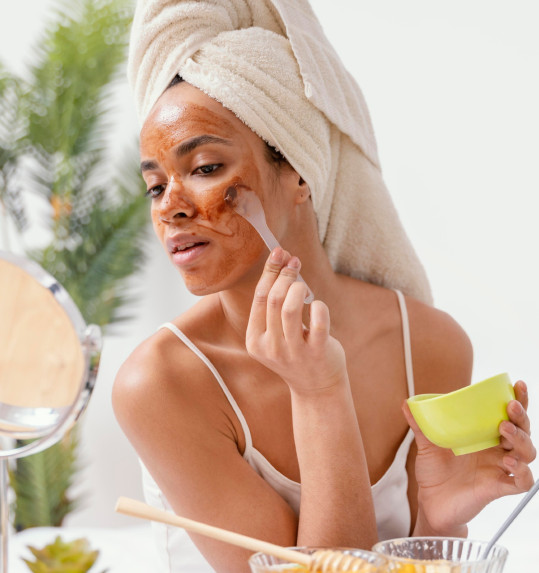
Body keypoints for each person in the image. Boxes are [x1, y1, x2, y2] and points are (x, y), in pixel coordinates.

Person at [113, 1, 536, 572]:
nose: (172, 208)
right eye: (156, 186)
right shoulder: (161, 383)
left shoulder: (430, 345)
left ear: (298, 173)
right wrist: (318, 393)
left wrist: (439, 527)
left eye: (206, 168)